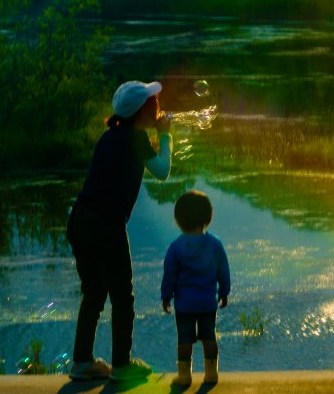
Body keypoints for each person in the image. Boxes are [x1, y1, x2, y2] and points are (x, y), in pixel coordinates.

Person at [66, 79, 173, 383]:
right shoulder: (136, 137)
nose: (158, 107)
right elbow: (163, 171)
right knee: (122, 296)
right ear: (143, 111)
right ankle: (122, 365)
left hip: (80, 221)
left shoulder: (110, 135)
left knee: (94, 292)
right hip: (106, 224)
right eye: (154, 103)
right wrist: (165, 137)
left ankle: (82, 362)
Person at [161, 189, 231, 387]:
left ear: (179, 219)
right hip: (207, 303)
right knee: (209, 337)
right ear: (207, 218)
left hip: (184, 305)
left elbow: (170, 275)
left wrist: (166, 297)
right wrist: (224, 292)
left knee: (184, 340)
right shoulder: (215, 244)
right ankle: (211, 374)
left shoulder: (176, 247)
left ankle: (184, 376)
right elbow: (223, 271)